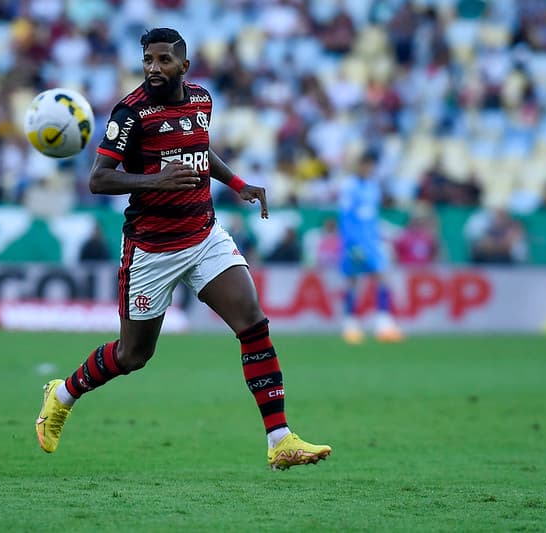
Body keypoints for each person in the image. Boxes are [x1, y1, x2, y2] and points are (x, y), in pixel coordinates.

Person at [36, 28, 331, 470]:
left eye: (163, 60)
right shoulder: (131, 113)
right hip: (152, 249)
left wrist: (238, 184)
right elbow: (98, 179)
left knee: (252, 323)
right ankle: (62, 394)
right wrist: (156, 179)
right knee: (133, 355)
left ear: (184, 66)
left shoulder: (201, 100)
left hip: (204, 235)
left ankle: (280, 439)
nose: (154, 68)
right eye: (148, 60)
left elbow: (200, 152)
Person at [338, 151, 403, 343]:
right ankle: (350, 325)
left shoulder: (373, 188)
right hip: (354, 243)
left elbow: (372, 218)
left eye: (371, 166)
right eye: (365, 165)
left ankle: (382, 323)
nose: (368, 169)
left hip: (371, 242)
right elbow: (345, 216)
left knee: (382, 277)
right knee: (353, 281)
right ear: (359, 165)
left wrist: (379, 239)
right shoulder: (349, 187)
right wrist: (351, 243)